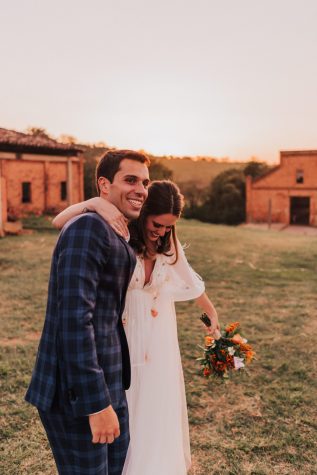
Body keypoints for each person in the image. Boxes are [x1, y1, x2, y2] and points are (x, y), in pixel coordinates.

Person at [53, 180, 220, 475]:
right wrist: (94, 203)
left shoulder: (168, 246)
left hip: (157, 342)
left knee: (153, 407)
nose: (162, 232)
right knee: (126, 401)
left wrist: (212, 316)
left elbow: (192, 283)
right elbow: (59, 221)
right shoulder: (120, 235)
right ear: (144, 214)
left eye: (169, 227)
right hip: (122, 337)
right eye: (157, 224)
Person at [25, 149, 151, 475]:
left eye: (145, 182)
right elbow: (74, 320)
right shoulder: (88, 229)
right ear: (104, 185)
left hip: (109, 383)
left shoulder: (114, 227)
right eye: (131, 180)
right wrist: (96, 404)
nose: (141, 189)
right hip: (77, 395)